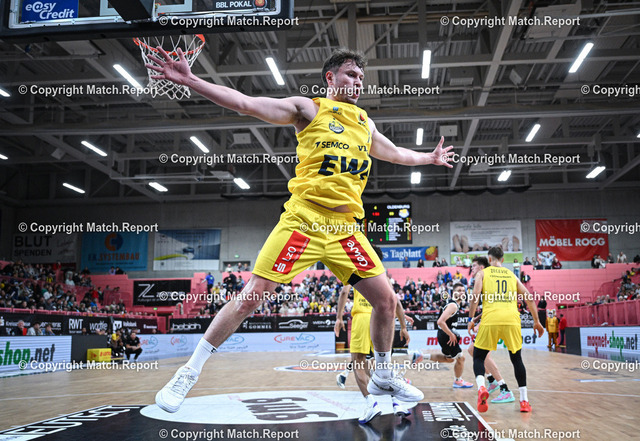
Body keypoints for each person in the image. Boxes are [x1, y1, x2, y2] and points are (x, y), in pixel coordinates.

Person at [151, 48, 453, 412]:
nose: (358, 82)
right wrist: (191, 80)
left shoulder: (364, 123)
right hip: (304, 220)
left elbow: (395, 153)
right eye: (351, 75)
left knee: (386, 301)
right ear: (330, 78)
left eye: (361, 77)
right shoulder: (308, 109)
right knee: (252, 296)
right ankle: (189, 371)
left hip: (345, 229)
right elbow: (246, 103)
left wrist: (429, 158)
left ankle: (384, 375)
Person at [334, 247, 414, 423]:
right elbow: (395, 301)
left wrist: (339, 317)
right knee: (383, 364)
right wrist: (403, 326)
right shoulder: (382, 275)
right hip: (380, 319)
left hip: (362, 317)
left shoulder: (355, 268)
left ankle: (371, 404)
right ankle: (397, 403)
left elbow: (344, 292)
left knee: (358, 361)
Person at [467, 246, 544, 413]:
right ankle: (524, 401)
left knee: (478, 356)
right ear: (502, 259)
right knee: (517, 359)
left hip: (491, 319)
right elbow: (529, 298)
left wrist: (470, 319)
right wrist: (536, 321)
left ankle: (482, 387)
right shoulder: (512, 275)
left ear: (489, 259)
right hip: (511, 320)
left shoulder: (483, 273)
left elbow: (475, 296)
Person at [466, 256, 515, 404]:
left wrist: (472, 319)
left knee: (482, 355)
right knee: (472, 350)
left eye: (474, 266)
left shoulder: (485, 277)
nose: (472, 269)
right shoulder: (488, 277)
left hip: (495, 322)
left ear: (481, 267)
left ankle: (504, 388)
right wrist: (477, 318)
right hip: (495, 319)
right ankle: (492, 380)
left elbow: (482, 301)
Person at [411, 283, 474, 389]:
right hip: (447, 336)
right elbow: (440, 322)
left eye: (463, 291)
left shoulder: (453, 304)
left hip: (444, 335)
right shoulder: (453, 305)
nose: (462, 293)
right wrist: (451, 334)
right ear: (454, 292)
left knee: (449, 359)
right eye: (459, 290)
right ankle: (458, 381)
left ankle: (421, 356)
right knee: (461, 358)